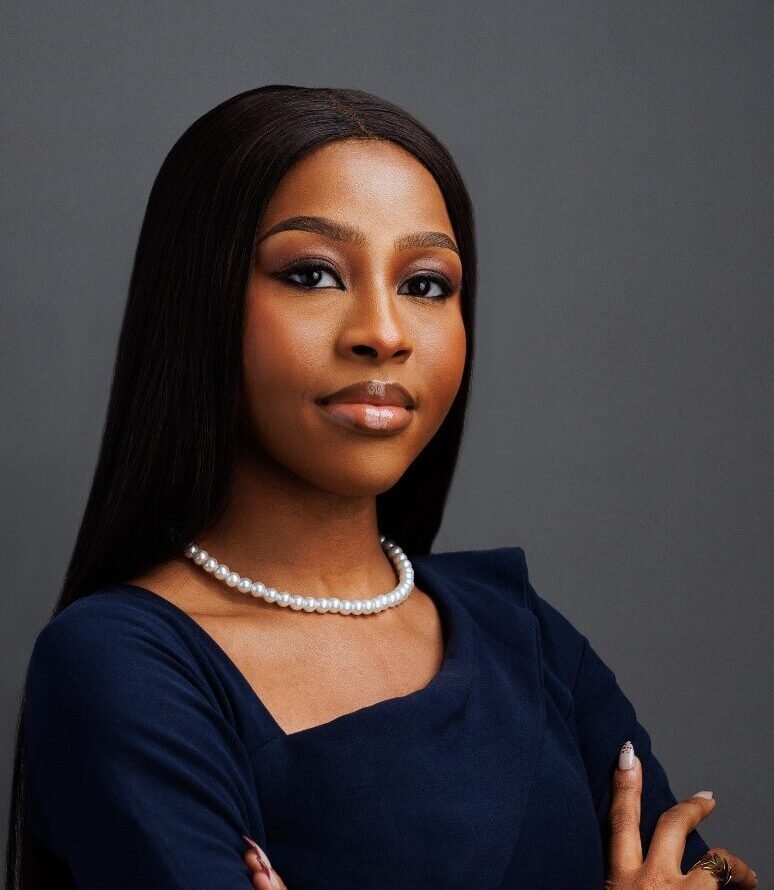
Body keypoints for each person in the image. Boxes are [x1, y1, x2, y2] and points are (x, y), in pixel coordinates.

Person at [6, 86, 757, 890]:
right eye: (312, 274)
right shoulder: (119, 665)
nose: (384, 333)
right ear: (201, 298)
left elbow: (699, 872)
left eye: (425, 285)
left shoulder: (526, 635)